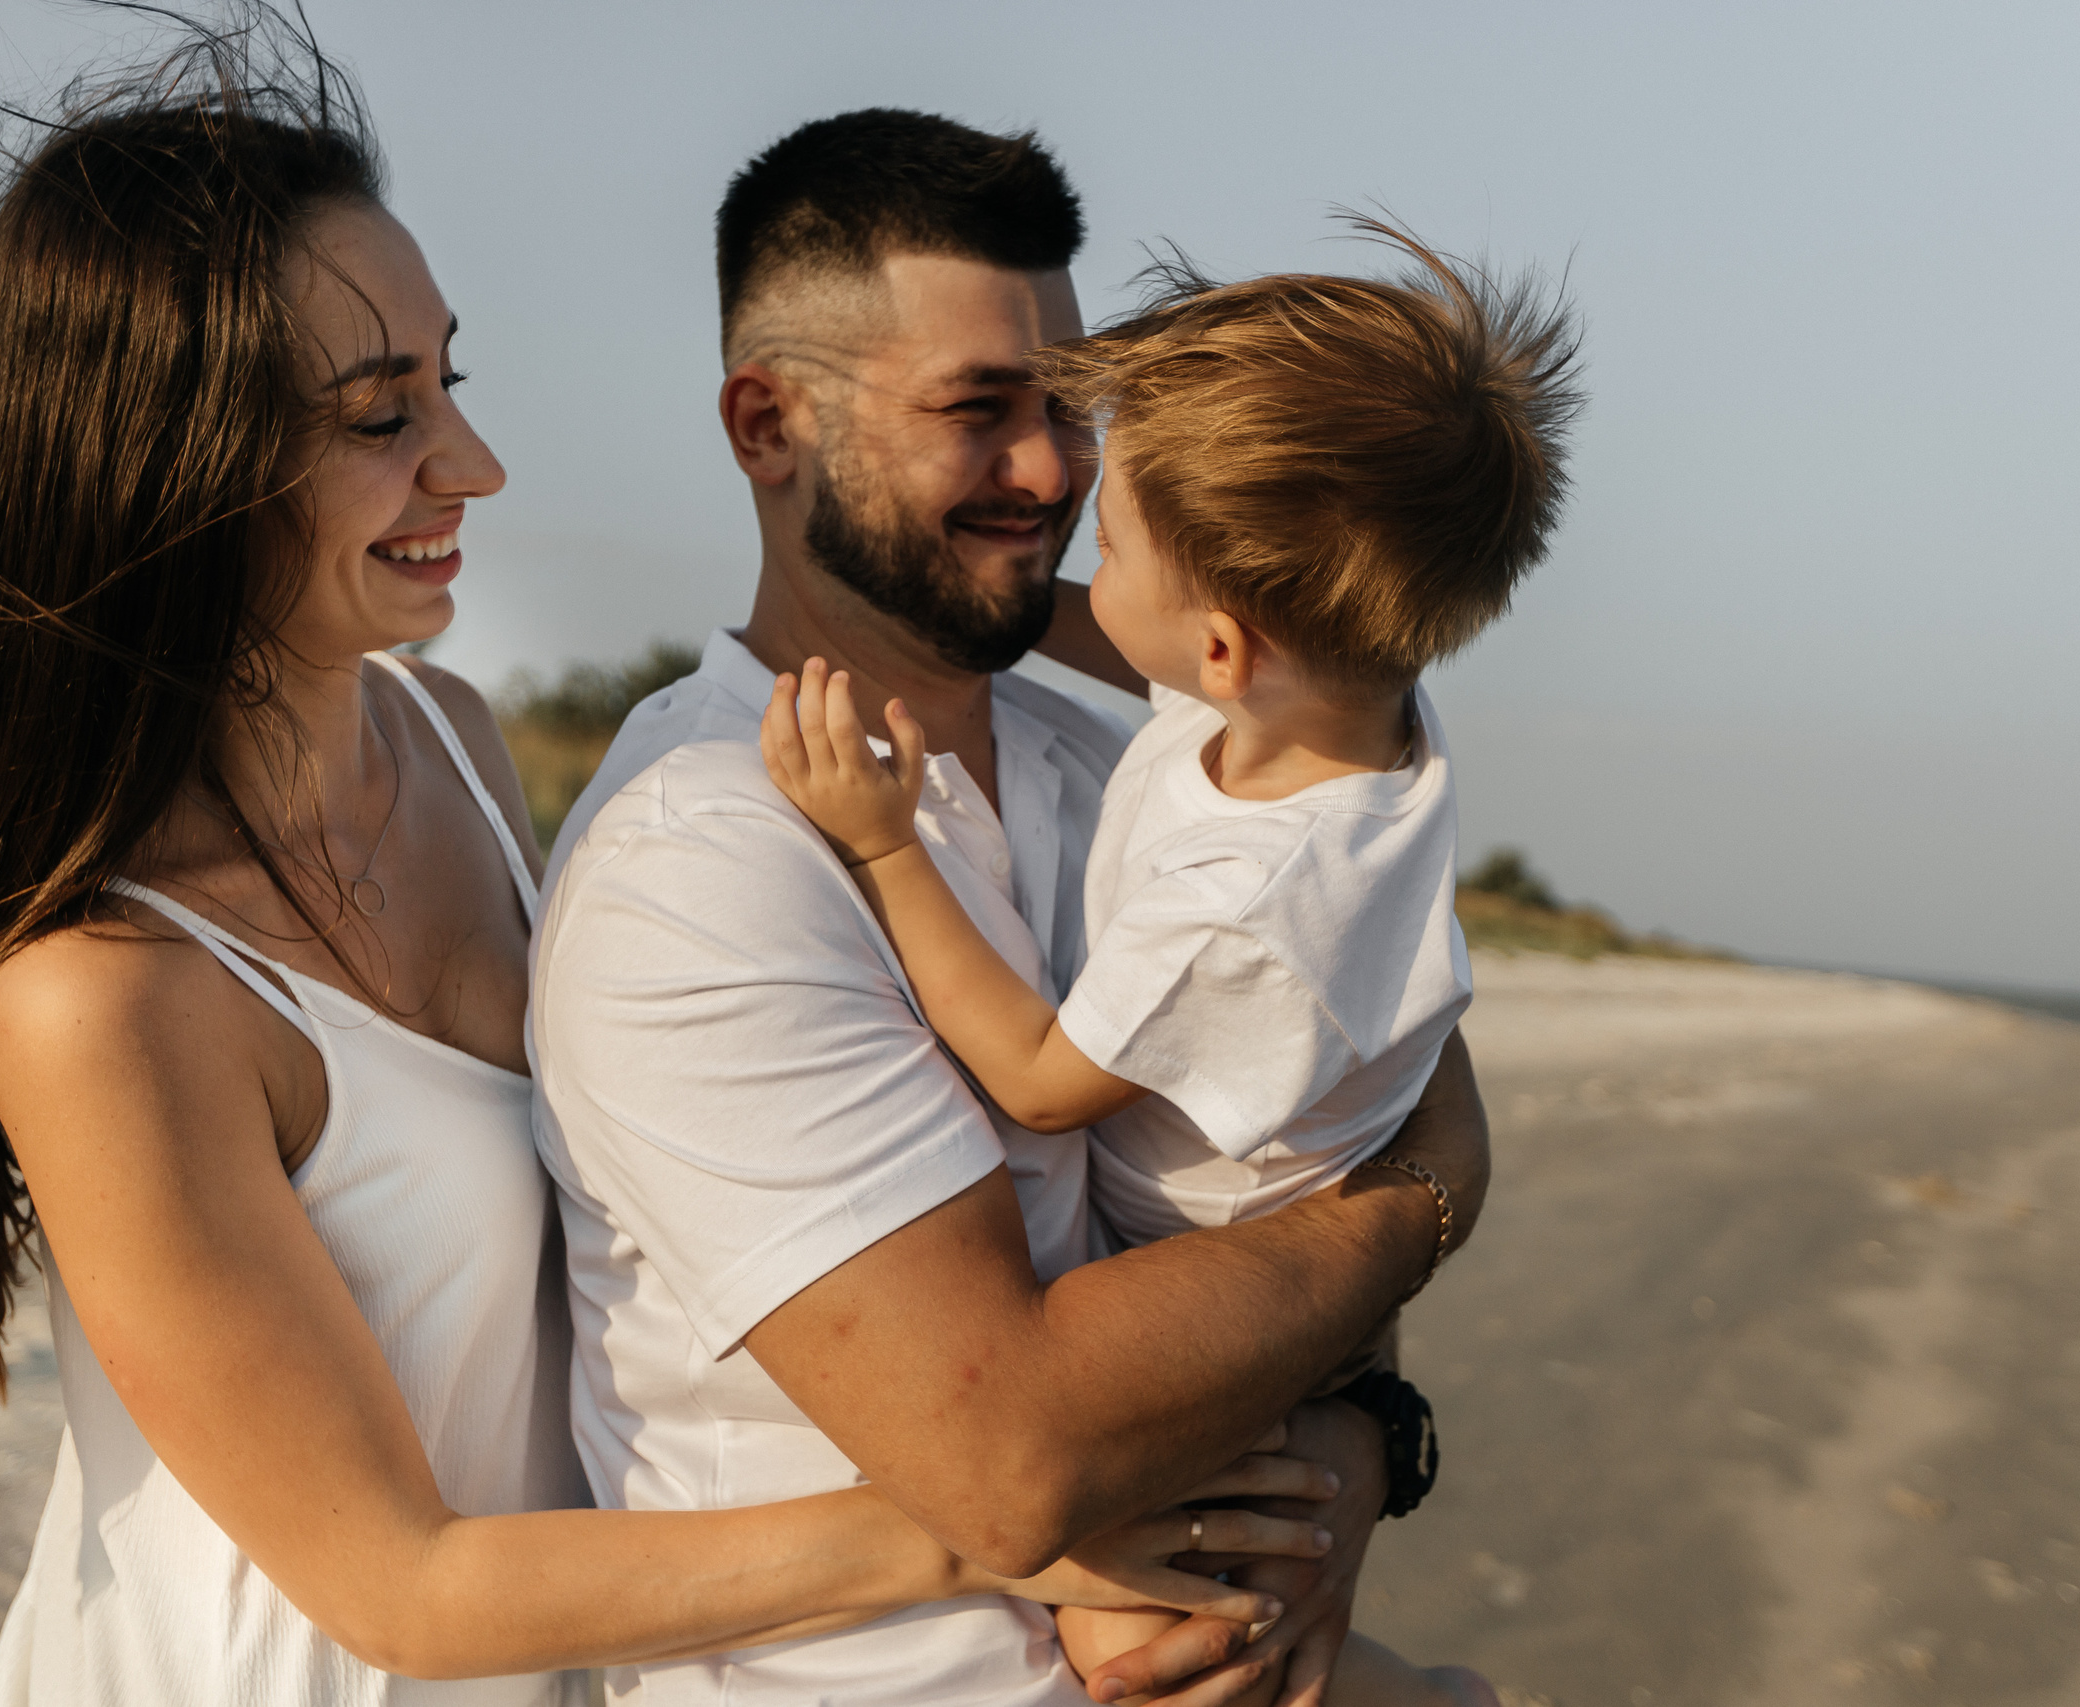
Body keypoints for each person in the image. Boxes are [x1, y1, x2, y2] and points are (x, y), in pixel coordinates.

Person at [0, 31, 1338, 1707]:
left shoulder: (455, 748)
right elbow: (402, 1588)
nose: (469, 465)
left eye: (449, 381)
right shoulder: (100, 1002)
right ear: (173, 466)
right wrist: (993, 1520)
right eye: (379, 416)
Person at [529, 110, 1498, 1707]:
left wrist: (1350, 1450)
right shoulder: (699, 862)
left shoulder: (1127, 758)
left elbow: (1321, 1106)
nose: (1053, 468)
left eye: (1068, 408)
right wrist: (1430, 1201)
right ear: (766, 424)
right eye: (977, 410)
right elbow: (1016, 1458)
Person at [756, 228, 1583, 1700]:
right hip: (1303, 1218)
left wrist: (886, 847)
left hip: (1216, 1290)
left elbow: (1039, 1075)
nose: (1075, 535)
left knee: (1145, 1645)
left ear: (1221, 651)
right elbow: (1133, 628)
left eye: (1113, 543)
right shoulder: (1350, 708)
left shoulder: (1244, 899)